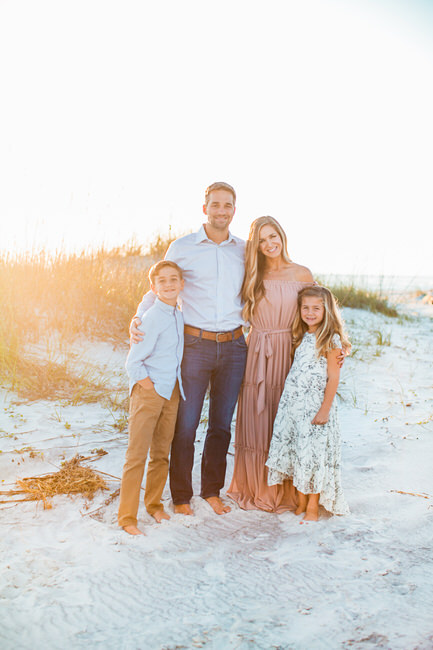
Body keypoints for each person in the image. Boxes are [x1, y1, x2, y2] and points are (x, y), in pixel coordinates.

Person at [130, 182, 247, 516]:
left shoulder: (244, 249)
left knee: (222, 424)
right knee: (186, 423)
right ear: (205, 208)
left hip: (235, 345)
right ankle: (181, 496)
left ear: (234, 210)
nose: (221, 211)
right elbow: (157, 287)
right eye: (215, 204)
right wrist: (138, 318)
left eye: (227, 205)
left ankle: (212, 490)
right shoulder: (181, 247)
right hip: (194, 345)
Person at [227, 216, 318, 512]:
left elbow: (318, 313)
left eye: (273, 236)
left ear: (282, 236)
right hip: (256, 354)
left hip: (290, 352)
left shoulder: (301, 273)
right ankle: (259, 488)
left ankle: (290, 491)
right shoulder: (250, 274)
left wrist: (335, 345)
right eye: (262, 240)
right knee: (257, 421)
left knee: (287, 422)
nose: (269, 244)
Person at [266, 286, 350, 521]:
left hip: (316, 408)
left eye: (316, 308)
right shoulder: (302, 336)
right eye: (306, 308)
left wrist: (324, 409)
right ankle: (301, 501)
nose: (310, 313)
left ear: (327, 311)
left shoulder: (330, 339)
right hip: (294, 407)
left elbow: (333, 378)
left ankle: (313, 504)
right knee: (298, 453)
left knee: (313, 456)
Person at [118, 260, 185, 535]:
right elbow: (133, 362)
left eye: (174, 280)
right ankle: (127, 518)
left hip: (172, 392)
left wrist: (167, 391)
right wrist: (149, 387)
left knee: (161, 454)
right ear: (153, 287)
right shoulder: (152, 317)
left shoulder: (178, 313)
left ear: (182, 284)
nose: (169, 285)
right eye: (163, 281)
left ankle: (155, 505)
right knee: (137, 456)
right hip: (150, 392)